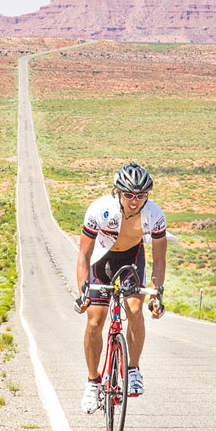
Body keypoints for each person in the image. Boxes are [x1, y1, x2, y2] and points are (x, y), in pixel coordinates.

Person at [75, 161, 167, 413]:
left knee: (135, 309)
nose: (135, 201)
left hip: (131, 259)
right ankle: (93, 382)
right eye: (128, 195)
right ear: (117, 192)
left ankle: (133, 369)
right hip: (101, 260)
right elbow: (84, 255)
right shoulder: (99, 210)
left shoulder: (155, 215)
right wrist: (83, 292)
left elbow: (159, 260)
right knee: (95, 319)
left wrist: (157, 295)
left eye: (141, 196)